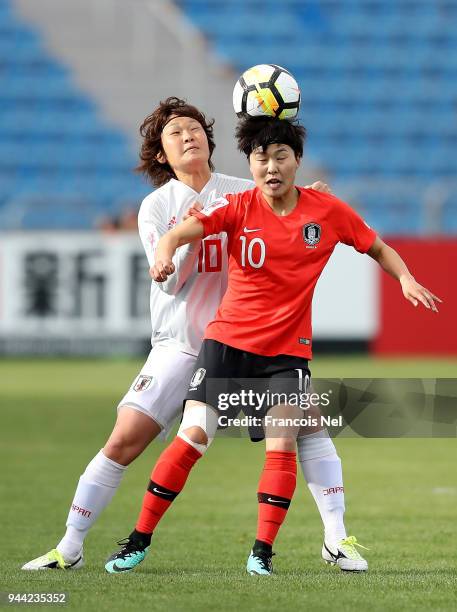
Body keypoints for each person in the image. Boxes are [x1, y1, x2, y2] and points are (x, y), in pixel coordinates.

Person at [104, 115, 441, 576]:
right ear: (250, 164)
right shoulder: (238, 205)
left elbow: (377, 246)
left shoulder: (326, 210)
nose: (270, 166)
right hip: (227, 344)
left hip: (286, 352)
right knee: (194, 436)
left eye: (281, 156)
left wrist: (406, 278)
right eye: (260, 158)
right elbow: (183, 232)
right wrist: (164, 250)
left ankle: (262, 551)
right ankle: (138, 540)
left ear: (297, 161)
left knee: (282, 442)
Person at [21, 97, 332, 571]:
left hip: (247, 345)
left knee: (306, 430)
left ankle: (337, 539)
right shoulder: (157, 207)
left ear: (209, 139)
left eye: (194, 128)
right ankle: (70, 546)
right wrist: (197, 227)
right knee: (124, 441)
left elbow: (286, 209)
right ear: (161, 155)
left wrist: (307, 195)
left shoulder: (241, 189)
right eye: (175, 133)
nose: (188, 136)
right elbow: (168, 279)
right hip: (182, 346)